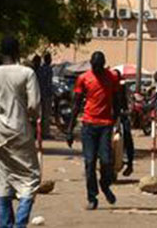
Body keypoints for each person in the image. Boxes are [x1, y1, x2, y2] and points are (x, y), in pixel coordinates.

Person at [0, 36, 41, 228]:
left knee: (3, 179)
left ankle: (5, 224)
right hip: (21, 132)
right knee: (30, 178)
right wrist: (31, 117)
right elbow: (34, 106)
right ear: (18, 51)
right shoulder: (27, 73)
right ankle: (20, 223)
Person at [67, 52, 120, 210]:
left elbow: (117, 100)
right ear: (91, 64)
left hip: (105, 125)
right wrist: (70, 130)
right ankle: (92, 196)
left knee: (106, 160)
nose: (96, 69)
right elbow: (76, 105)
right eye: (94, 66)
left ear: (103, 64)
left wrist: (117, 119)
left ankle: (104, 185)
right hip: (89, 125)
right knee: (89, 163)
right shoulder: (83, 78)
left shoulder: (112, 77)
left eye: (99, 66)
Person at [112, 69, 135, 176]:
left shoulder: (122, 88)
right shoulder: (106, 86)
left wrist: (126, 112)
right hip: (108, 116)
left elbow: (128, 102)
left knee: (127, 135)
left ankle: (130, 163)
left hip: (121, 115)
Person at [37, 53, 54, 139]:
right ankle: (45, 133)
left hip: (40, 94)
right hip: (46, 95)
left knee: (41, 115)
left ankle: (39, 132)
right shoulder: (49, 69)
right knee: (46, 115)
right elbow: (49, 83)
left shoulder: (40, 69)